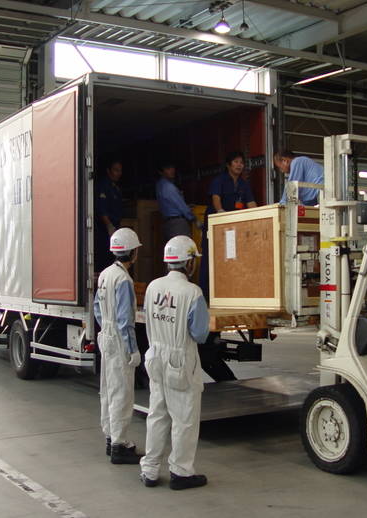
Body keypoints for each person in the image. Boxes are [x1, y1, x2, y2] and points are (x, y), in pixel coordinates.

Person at [140, 236, 210, 490]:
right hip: (180, 360)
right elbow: (200, 334)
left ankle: (149, 469)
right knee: (184, 419)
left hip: (156, 357)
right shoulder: (192, 293)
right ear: (189, 262)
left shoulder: (153, 287)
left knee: (157, 414)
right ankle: (181, 472)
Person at [93, 228, 143, 464]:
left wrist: (107, 328)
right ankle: (120, 446)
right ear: (132, 253)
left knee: (108, 390)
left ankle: (110, 436)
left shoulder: (104, 274)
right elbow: (125, 320)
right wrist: (132, 349)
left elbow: (96, 308)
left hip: (106, 336)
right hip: (119, 340)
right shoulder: (123, 279)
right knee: (122, 392)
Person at [199, 151, 257, 299]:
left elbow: (250, 203)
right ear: (228, 164)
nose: (239, 165)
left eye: (242, 162)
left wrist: (258, 216)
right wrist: (221, 212)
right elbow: (216, 198)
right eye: (236, 162)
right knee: (210, 257)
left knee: (231, 257)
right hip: (216, 225)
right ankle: (205, 294)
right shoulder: (220, 180)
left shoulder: (243, 184)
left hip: (233, 228)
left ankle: (227, 291)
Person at [155, 162, 198, 242]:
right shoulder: (168, 187)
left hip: (168, 223)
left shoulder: (159, 185)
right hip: (177, 224)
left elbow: (171, 204)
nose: (172, 170)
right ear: (161, 172)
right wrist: (194, 219)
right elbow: (181, 206)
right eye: (168, 169)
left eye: (172, 168)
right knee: (186, 249)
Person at [95, 159, 123, 271]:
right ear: (108, 171)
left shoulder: (115, 187)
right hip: (104, 229)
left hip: (115, 227)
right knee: (105, 258)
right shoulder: (104, 186)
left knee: (113, 258)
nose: (119, 173)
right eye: (116, 170)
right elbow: (102, 209)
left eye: (120, 171)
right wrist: (109, 226)